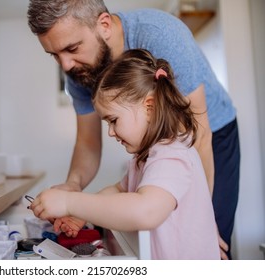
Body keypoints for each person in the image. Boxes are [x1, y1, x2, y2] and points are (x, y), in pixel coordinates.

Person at [27, 0, 239, 259]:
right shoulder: (80, 72)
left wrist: (207, 223)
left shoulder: (159, 34)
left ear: (104, 24)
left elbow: (200, 136)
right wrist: (74, 192)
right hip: (165, 146)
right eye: (55, 55)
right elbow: (89, 144)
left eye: (72, 48)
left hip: (209, 131)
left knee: (214, 242)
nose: (66, 65)